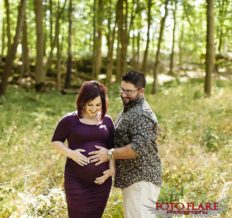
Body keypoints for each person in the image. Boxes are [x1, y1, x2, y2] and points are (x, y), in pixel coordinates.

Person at [89, 70, 162, 218]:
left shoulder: (142, 114)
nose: (123, 94)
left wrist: (109, 153)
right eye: (122, 89)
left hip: (142, 180)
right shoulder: (130, 109)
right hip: (132, 179)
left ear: (141, 91)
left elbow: (137, 148)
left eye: (128, 91)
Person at [51, 80, 115, 218]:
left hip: (101, 183)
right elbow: (56, 142)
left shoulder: (107, 121)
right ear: (82, 102)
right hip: (76, 181)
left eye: (98, 105)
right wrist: (71, 153)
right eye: (90, 104)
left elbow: (113, 148)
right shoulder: (69, 120)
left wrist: (111, 171)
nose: (94, 108)